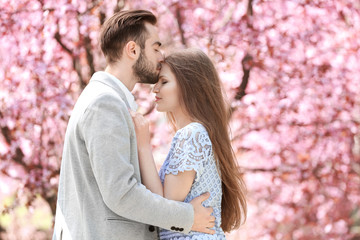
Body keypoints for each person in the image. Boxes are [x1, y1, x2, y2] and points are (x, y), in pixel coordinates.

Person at [52, 10, 216, 240]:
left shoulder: (107, 100)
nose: (161, 56)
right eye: (156, 47)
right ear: (133, 50)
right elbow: (121, 193)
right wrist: (188, 218)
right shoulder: (105, 103)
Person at [131, 48, 248, 240]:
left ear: (189, 86)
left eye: (164, 82)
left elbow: (166, 205)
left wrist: (143, 146)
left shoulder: (192, 134)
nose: (155, 89)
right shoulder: (198, 133)